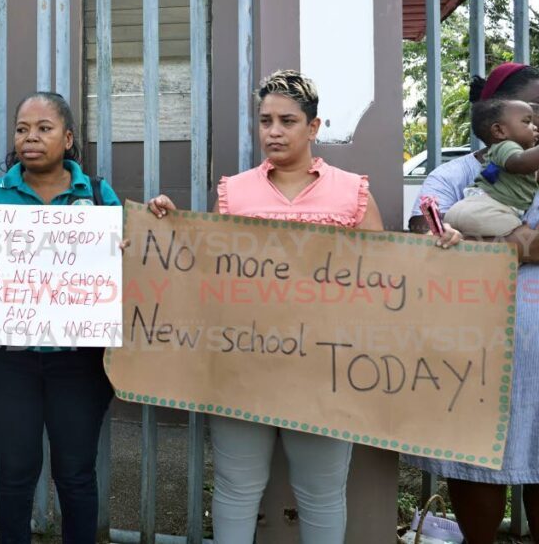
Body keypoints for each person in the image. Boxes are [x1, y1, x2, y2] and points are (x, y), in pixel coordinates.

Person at [147, 70, 459, 543]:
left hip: (324, 368)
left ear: (312, 128)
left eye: (287, 121)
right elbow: (210, 270)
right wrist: (168, 231)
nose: (273, 130)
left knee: (321, 492)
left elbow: (384, 275)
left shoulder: (351, 191)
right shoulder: (235, 192)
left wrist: (438, 250)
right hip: (242, 365)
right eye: (265, 120)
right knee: (236, 487)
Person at [0, 91, 119, 544]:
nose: (31, 138)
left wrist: (150, 227)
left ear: (68, 138)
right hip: (8, 360)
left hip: (80, 361)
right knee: (15, 470)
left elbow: (134, 257)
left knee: (75, 473)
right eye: (22, 129)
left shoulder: (95, 194)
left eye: (44, 128)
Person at [405, 62, 539, 543]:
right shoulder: (454, 173)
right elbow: (425, 235)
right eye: (533, 112)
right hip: (473, 352)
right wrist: (521, 244)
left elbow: (458, 242)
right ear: (501, 122)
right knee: (475, 464)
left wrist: (484, 246)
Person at [443, 97, 539, 238]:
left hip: (466, 209)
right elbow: (521, 163)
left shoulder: (505, 153)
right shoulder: (506, 147)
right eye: (527, 122)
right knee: (521, 236)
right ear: (499, 131)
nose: (535, 127)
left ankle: (462, 238)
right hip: (488, 211)